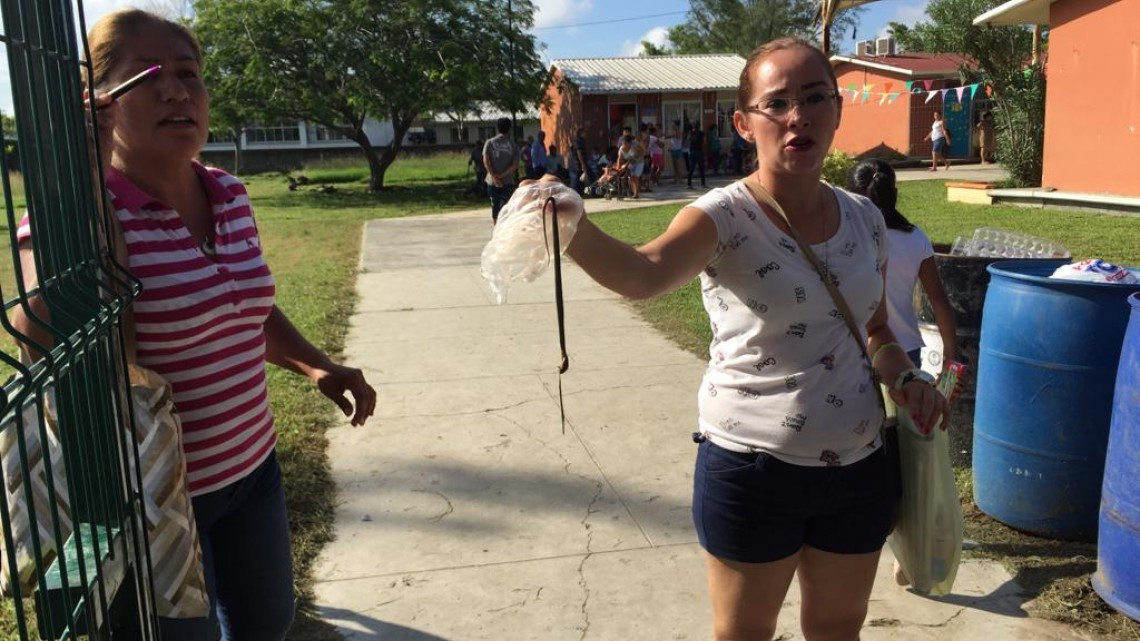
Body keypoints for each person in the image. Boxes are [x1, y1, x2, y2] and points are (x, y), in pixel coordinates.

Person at [543, 37, 948, 641]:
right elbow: (644, 272)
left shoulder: (866, 218)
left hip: (859, 468)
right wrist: (571, 226)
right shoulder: (723, 216)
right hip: (753, 471)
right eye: (776, 102)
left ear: (836, 108)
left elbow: (873, 328)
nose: (798, 115)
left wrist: (907, 378)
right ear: (744, 122)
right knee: (743, 634)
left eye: (814, 97)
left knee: (839, 629)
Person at [12, 9, 378, 640]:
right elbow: (39, 332)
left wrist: (317, 365)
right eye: (149, 76)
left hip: (252, 469)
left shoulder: (229, 193)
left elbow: (242, 306)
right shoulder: (84, 211)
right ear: (96, 101)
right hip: (152, 499)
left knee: (267, 622)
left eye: (189, 73)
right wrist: (86, 181)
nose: (177, 91)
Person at [848, 159, 957, 370]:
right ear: (894, 195)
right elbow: (938, 300)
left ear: (849, 198)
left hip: (852, 351)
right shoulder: (915, 238)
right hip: (904, 352)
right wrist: (951, 357)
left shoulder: (843, 238)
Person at [483, 117, 521, 224]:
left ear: (497, 128)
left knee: (495, 207)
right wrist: (502, 175)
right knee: (506, 207)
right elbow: (514, 165)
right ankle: (505, 231)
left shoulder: (489, 143)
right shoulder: (514, 145)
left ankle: (496, 230)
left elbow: (486, 161)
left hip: (492, 181)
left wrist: (494, 176)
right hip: (507, 181)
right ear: (510, 129)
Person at [569, 127, 590, 193]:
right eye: (584, 133)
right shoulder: (578, 142)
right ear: (581, 133)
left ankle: (579, 193)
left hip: (577, 165)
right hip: (576, 165)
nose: (586, 134)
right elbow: (579, 153)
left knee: (579, 181)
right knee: (575, 181)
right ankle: (573, 194)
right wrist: (583, 165)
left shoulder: (581, 141)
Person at [687, 122, 707, 189]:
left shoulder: (690, 133)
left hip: (692, 152)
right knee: (701, 169)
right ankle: (703, 184)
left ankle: (689, 184)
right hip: (699, 152)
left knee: (691, 169)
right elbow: (704, 143)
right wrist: (704, 152)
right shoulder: (701, 133)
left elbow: (688, 141)